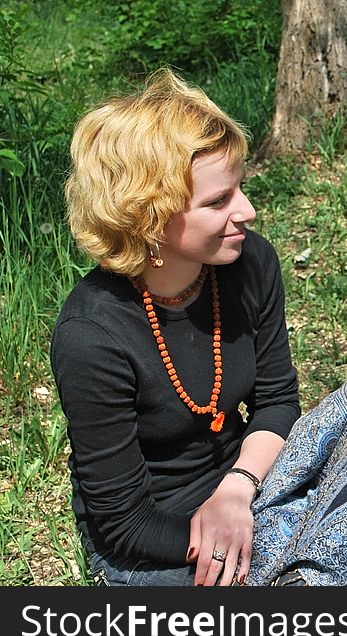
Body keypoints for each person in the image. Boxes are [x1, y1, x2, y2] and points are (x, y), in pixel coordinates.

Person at [50, 68, 301, 587]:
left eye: (240, 189)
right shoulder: (92, 333)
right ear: (147, 219)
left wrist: (238, 490)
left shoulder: (250, 263)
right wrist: (244, 542)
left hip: (245, 484)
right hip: (158, 533)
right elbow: (124, 523)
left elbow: (277, 401)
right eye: (217, 202)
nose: (247, 212)